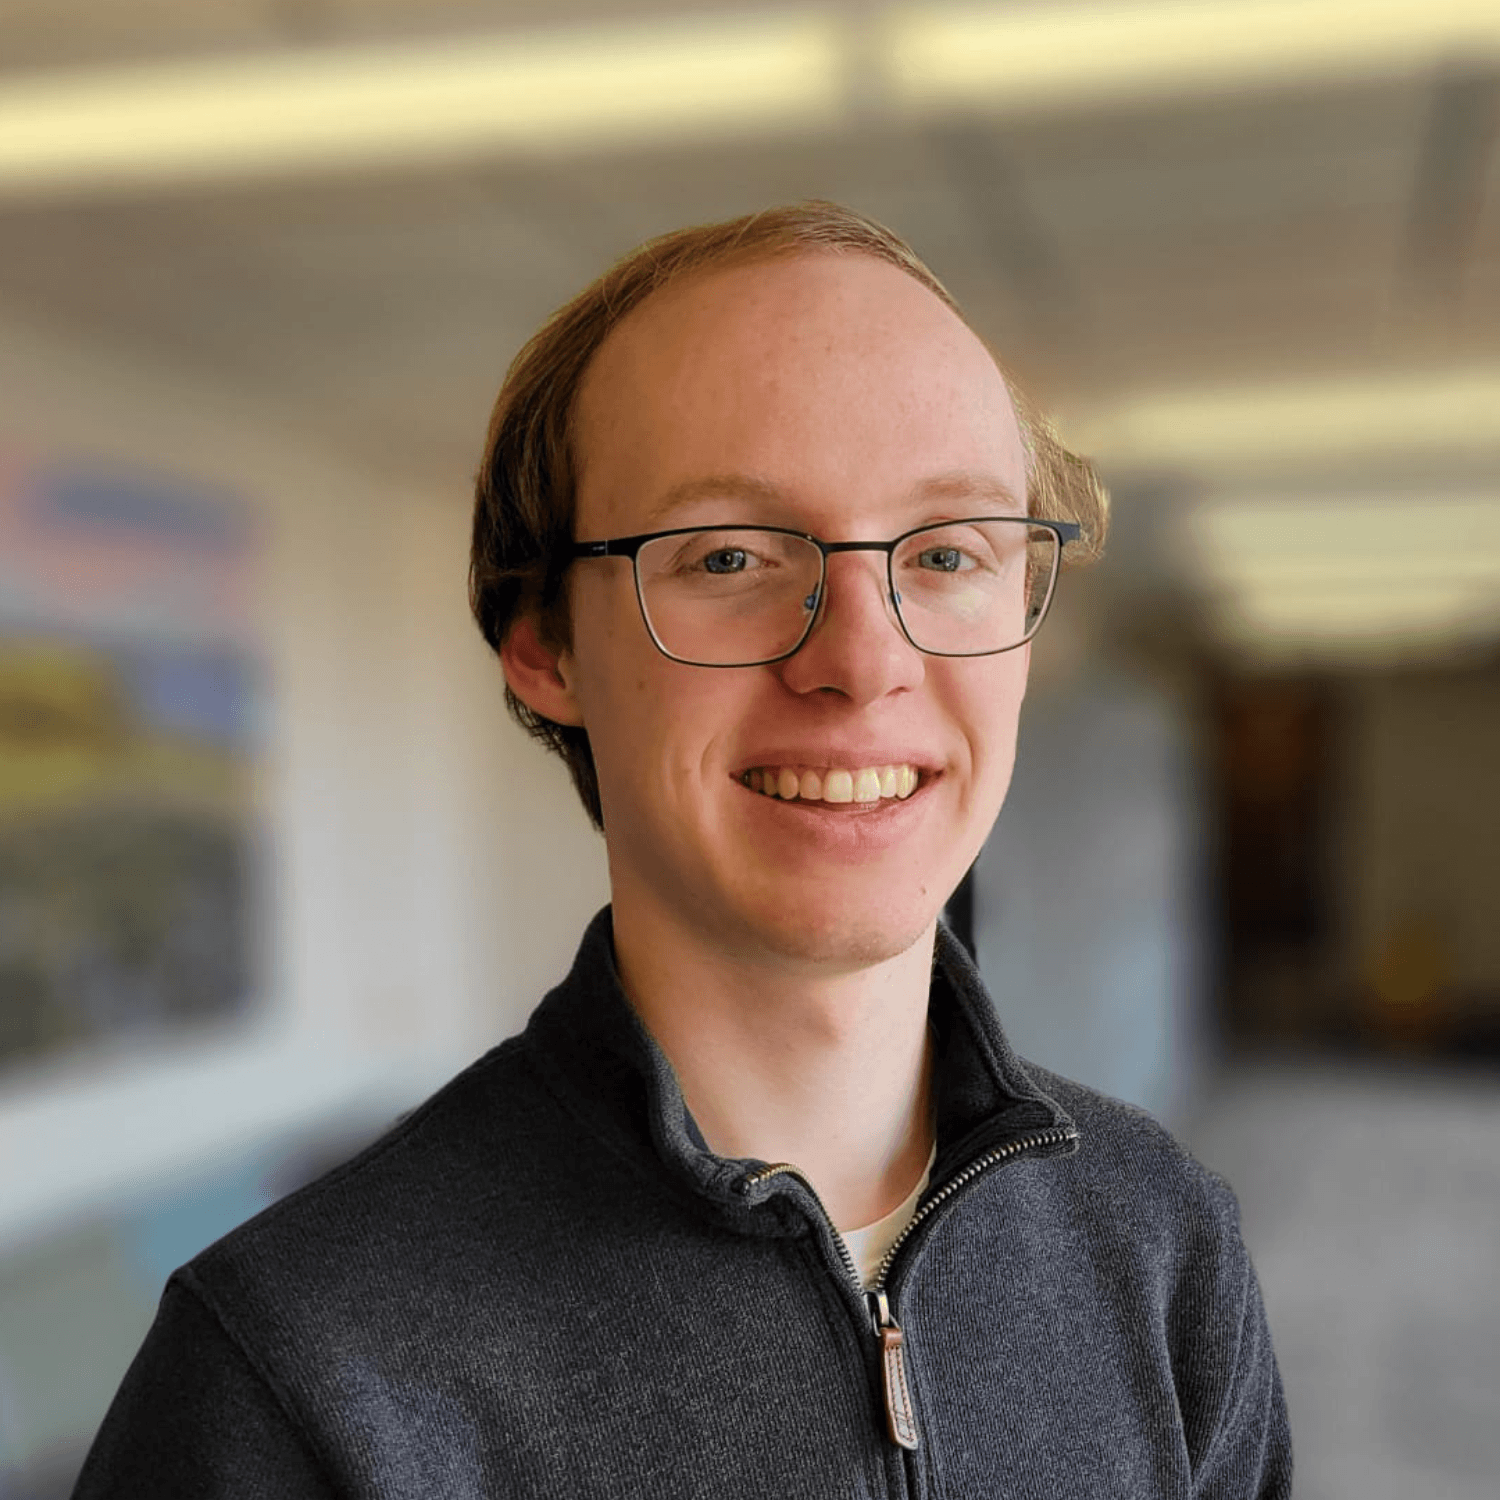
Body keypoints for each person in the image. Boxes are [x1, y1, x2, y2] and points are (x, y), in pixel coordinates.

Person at [75, 203, 1291, 1498]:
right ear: (545, 647)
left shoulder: (1162, 1246)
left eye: (946, 553)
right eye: (730, 555)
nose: (865, 661)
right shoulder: (303, 1377)